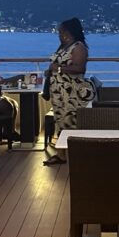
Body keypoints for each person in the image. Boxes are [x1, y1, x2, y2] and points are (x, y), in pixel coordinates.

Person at [43, 18, 95, 166]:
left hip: (73, 93)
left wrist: (58, 69)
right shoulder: (64, 47)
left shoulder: (78, 47)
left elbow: (80, 68)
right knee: (60, 121)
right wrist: (50, 72)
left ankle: (79, 154)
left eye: (61, 30)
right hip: (60, 93)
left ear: (68, 31)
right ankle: (61, 154)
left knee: (72, 122)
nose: (59, 33)